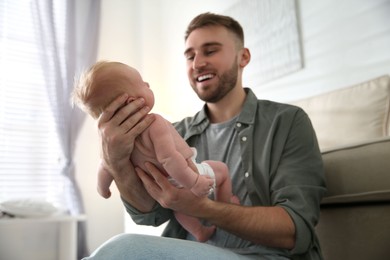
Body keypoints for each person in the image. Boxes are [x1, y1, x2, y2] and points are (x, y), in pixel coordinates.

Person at [83, 12, 327, 259]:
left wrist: (200, 207)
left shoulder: (286, 122)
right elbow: (149, 214)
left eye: (210, 51)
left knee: (122, 250)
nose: (197, 63)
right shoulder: (177, 132)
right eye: (190, 56)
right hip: (190, 251)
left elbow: (294, 230)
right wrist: (115, 160)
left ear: (243, 57)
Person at [72, 60, 238, 242]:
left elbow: (105, 167)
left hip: (161, 187)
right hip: (184, 174)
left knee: (179, 208)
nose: (148, 85)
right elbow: (169, 158)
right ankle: (226, 204)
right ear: (132, 101)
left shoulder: (118, 145)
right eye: (143, 84)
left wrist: (103, 189)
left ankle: (199, 231)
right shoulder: (155, 123)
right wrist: (195, 181)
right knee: (220, 169)